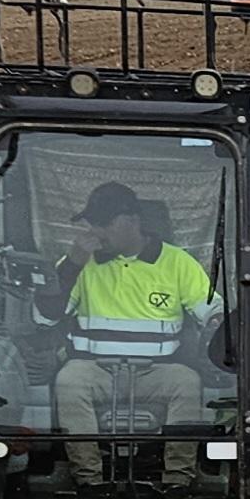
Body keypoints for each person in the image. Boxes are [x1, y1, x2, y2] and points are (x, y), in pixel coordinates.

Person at [54, 181, 215, 481]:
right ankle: (89, 481)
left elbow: (209, 308)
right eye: (93, 225)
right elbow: (47, 315)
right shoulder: (80, 263)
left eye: (103, 224)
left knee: (187, 383)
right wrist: (72, 265)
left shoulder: (177, 263)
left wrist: (218, 321)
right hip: (95, 371)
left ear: (132, 221)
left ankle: (177, 481)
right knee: (69, 381)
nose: (96, 233)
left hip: (157, 373)